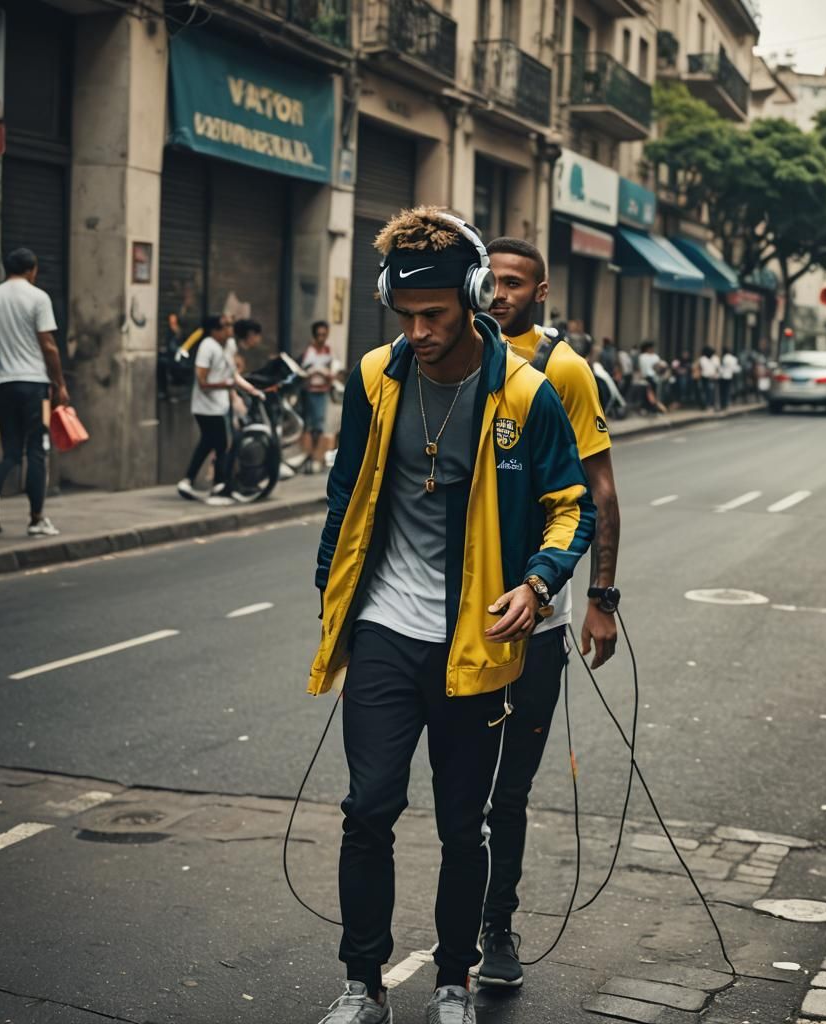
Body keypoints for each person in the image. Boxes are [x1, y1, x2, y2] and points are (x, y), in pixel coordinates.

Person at [310, 207, 595, 1024]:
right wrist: (331, 588)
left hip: (475, 644)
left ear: (473, 297)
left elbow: (571, 508)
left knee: (462, 825)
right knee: (368, 808)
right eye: (405, 317)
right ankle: (362, 984)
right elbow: (346, 493)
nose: (420, 332)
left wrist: (539, 585)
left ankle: (452, 981)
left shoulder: (526, 394)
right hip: (386, 632)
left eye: (434, 315)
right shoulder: (376, 378)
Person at [485, 235, 620, 989]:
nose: (500, 294)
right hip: (454, 618)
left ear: (539, 293)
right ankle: (454, 931)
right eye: (491, 281)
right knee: (459, 782)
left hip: (540, 619)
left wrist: (600, 599)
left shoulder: (563, 370)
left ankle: (495, 923)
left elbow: (599, 494)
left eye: (514, 283)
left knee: (510, 788)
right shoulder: (446, 357)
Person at [0, 247, 68, 538]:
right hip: (33, 385)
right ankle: (36, 518)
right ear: (32, 269)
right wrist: (60, 383)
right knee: (38, 449)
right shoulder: (38, 297)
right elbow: (49, 345)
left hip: (3, 383)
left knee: (12, 451)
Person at [175, 314, 261, 505]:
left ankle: (188, 481)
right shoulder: (207, 347)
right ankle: (219, 487)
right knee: (222, 445)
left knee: (207, 443)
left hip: (220, 405)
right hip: (206, 407)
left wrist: (251, 389)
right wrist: (226, 385)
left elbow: (233, 375)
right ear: (214, 330)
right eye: (225, 326)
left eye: (230, 325)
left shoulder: (228, 346)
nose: (230, 329)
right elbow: (203, 382)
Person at [299, 320, 335, 474]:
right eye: (319, 334)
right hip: (309, 392)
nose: (321, 337)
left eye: (324, 334)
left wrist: (324, 372)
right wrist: (315, 371)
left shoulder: (329, 351)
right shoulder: (310, 351)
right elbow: (303, 371)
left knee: (319, 426)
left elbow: (333, 372)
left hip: (322, 391)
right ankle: (307, 457)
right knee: (308, 425)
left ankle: (315, 458)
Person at [698, 346, 719, 411]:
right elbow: (717, 368)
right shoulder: (715, 358)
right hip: (711, 377)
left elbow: (701, 367)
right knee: (711, 391)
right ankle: (710, 405)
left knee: (707, 391)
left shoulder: (702, 359)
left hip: (706, 377)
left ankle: (708, 405)